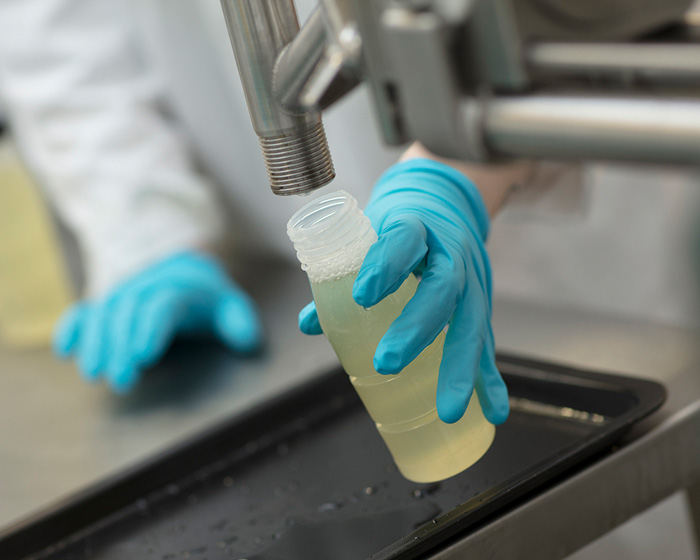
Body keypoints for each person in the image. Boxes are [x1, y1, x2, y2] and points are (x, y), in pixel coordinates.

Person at [0, 0, 527, 426]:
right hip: (264, 236)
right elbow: (60, 40)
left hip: (548, 265)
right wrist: (146, 229)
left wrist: (455, 168)